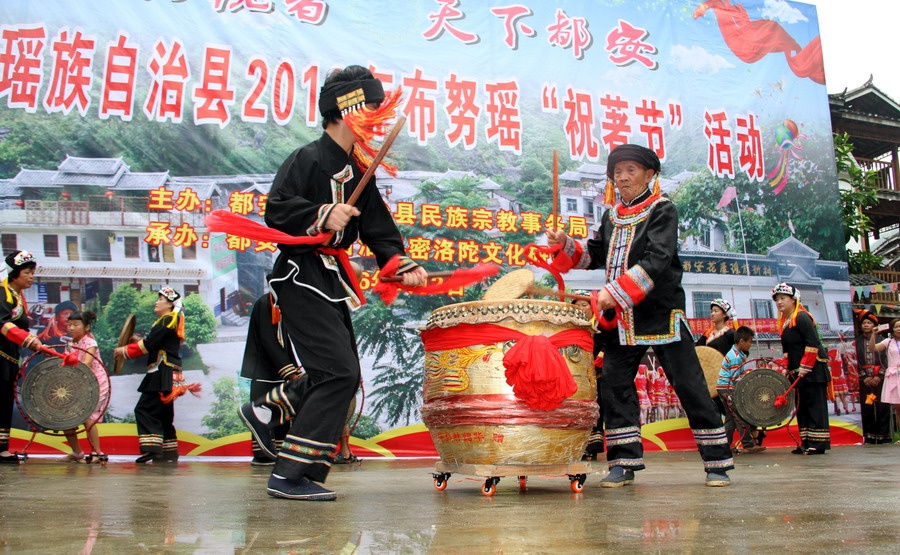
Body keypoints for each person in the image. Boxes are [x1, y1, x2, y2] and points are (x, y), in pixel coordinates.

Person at [261, 65, 427, 501]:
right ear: (346, 108)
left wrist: (400, 263)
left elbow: (379, 230)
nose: (378, 113)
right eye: (372, 105)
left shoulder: (359, 170)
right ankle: (287, 474)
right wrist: (321, 214)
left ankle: (280, 426)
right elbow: (276, 210)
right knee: (339, 371)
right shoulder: (307, 158)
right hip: (300, 272)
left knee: (335, 373)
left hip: (329, 277)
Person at [546, 143, 733, 487]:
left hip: (660, 314)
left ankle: (717, 461)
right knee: (615, 387)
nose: (623, 177)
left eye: (631, 171)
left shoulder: (663, 210)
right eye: (618, 172)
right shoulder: (612, 216)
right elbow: (595, 255)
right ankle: (623, 462)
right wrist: (565, 244)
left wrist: (612, 292)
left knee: (690, 386)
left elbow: (658, 259)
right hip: (621, 320)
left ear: (649, 175)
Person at [114, 287, 190, 463]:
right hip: (167, 370)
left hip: (162, 371)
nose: (156, 302)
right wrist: (136, 341)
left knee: (145, 409)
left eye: (160, 299)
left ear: (170, 304)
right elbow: (155, 343)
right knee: (163, 412)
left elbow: (149, 344)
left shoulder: (168, 320)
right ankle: (168, 451)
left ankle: (153, 448)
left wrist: (123, 351)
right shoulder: (168, 320)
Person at [238, 284, 307, 466]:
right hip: (264, 370)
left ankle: (280, 454)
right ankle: (264, 454)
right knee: (264, 411)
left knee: (281, 413)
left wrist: (293, 368)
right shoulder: (266, 303)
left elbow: (285, 342)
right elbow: (269, 341)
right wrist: (290, 371)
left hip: (277, 371)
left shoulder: (278, 303)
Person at [771, 283, 830, 455]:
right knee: (802, 407)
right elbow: (788, 351)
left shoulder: (802, 317)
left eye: (783, 298)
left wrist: (806, 366)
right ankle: (806, 442)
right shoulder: (785, 323)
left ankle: (817, 444)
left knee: (814, 406)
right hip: (798, 372)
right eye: (777, 299)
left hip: (813, 370)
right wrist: (786, 368)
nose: (779, 302)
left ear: (793, 300)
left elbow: (812, 343)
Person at [0, 250, 45, 464]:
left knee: (4, 402)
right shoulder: (2, 293)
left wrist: (34, 341)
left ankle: (2, 449)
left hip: (9, 357)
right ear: (14, 273)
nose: (31, 277)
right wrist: (28, 340)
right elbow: (3, 324)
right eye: (27, 272)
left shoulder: (17, 296)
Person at [61, 310, 109, 463]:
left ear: (86, 327)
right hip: (79, 384)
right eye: (69, 325)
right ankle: (77, 453)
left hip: (96, 384)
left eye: (76, 324)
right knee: (66, 417)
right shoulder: (70, 343)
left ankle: (97, 453)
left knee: (88, 417)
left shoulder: (90, 343)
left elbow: (86, 364)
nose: (71, 328)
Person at [715, 326, 765, 454]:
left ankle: (723, 446)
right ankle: (748, 444)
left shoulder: (736, 354)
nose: (750, 344)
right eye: (750, 341)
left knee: (730, 419)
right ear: (742, 341)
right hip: (728, 388)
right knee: (740, 416)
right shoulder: (735, 357)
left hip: (723, 388)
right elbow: (735, 378)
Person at [854, 310, 890, 444]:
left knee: (882, 406)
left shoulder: (883, 341)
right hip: (864, 380)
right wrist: (864, 377)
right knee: (867, 406)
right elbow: (853, 361)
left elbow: (888, 359)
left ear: (875, 325)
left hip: (880, 379)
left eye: (869, 323)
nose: (866, 325)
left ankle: (883, 435)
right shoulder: (856, 342)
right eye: (864, 323)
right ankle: (869, 435)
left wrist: (880, 375)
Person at [872, 317, 900, 442]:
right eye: (896, 326)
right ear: (892, 329)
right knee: (898, 408)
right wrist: (873, 335)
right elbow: (873, 348)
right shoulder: (888, 342)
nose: (899, 329)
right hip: (894, 376)